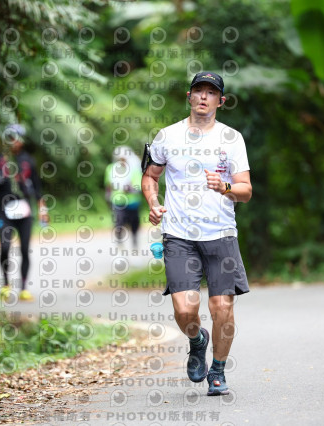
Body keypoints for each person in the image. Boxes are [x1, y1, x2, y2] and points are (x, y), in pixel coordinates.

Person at [141, 71, 252, 396]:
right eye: (198, 91)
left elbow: (245, 190)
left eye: (211, 92)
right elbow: (150, 177)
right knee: (185, 309)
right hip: (179, 235)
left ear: (221, 101)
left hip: (221, 234)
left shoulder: (231, 138)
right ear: (189, 96)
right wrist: (153, 203)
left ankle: (217, 370)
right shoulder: (167, 136)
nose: (204, 96)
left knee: (222, 308)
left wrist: (225, 186)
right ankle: (196, 339)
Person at [0, 124, 48, 302]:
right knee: (5, 248)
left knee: (25, 249)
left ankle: (24, 288)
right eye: (11, 138)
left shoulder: (28, 161)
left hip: (25, 212)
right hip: (4, 213)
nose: (14, 142)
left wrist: (42, 208)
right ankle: (5, 285)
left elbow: (37, 187)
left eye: (17, 138)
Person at [104, 145, 142, 249]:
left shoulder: (134, 170)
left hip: (133, 202)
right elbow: (108, 185)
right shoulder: (110, 169)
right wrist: (108, 197)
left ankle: (135, 243)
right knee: (119, 222)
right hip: (117, 201)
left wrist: (129, 189)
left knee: (134, 224)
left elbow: (138, 187)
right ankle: (119, 243)